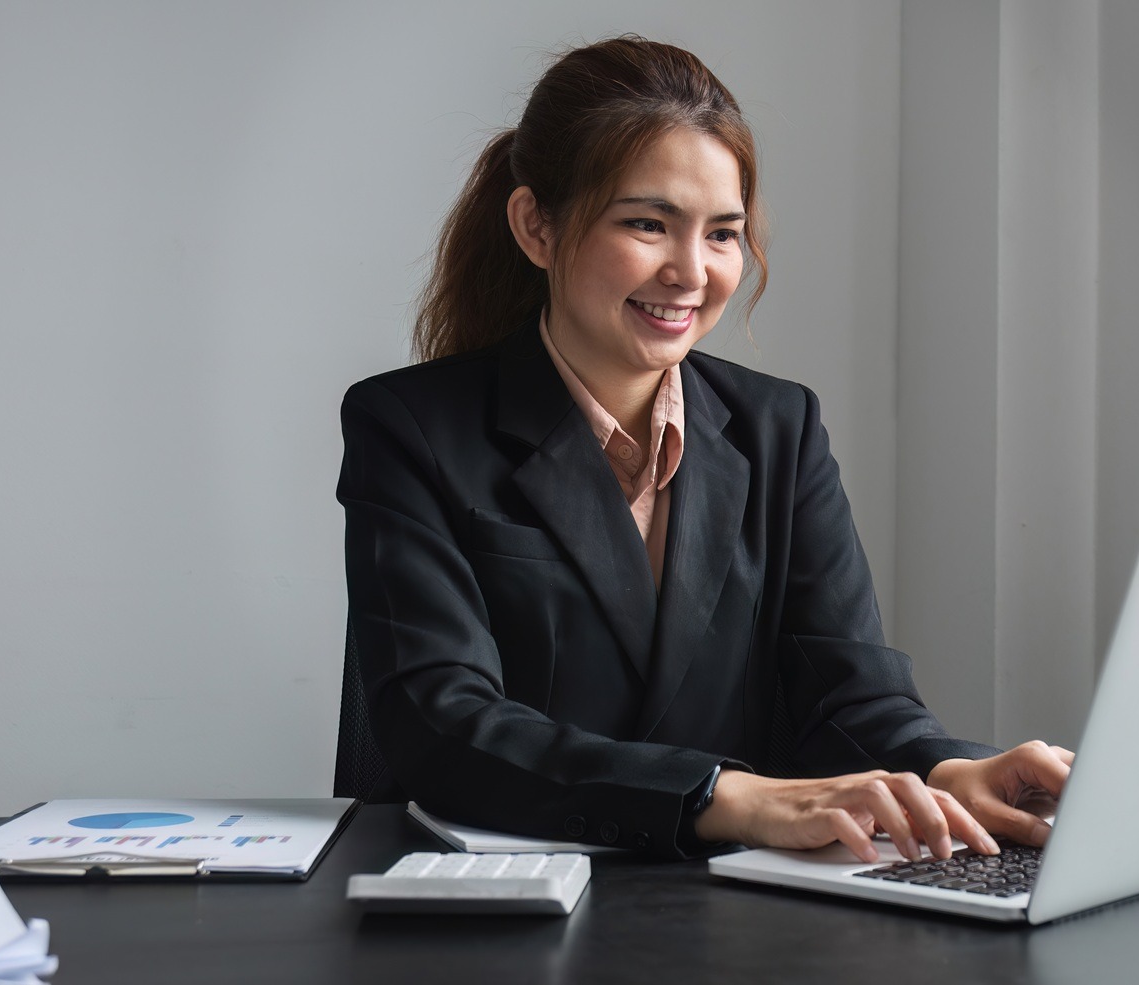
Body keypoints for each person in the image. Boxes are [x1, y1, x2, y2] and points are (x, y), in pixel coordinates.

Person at [337, 36, 1072, 863]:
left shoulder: (780, 427)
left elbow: (847, 689)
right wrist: (727, 795)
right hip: (501, 899)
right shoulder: (410, 426)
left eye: (722, 234)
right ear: (536, 225)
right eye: (648, 224)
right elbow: (443, 722)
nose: (691, 272)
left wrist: (946, 768)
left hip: (732, 903)